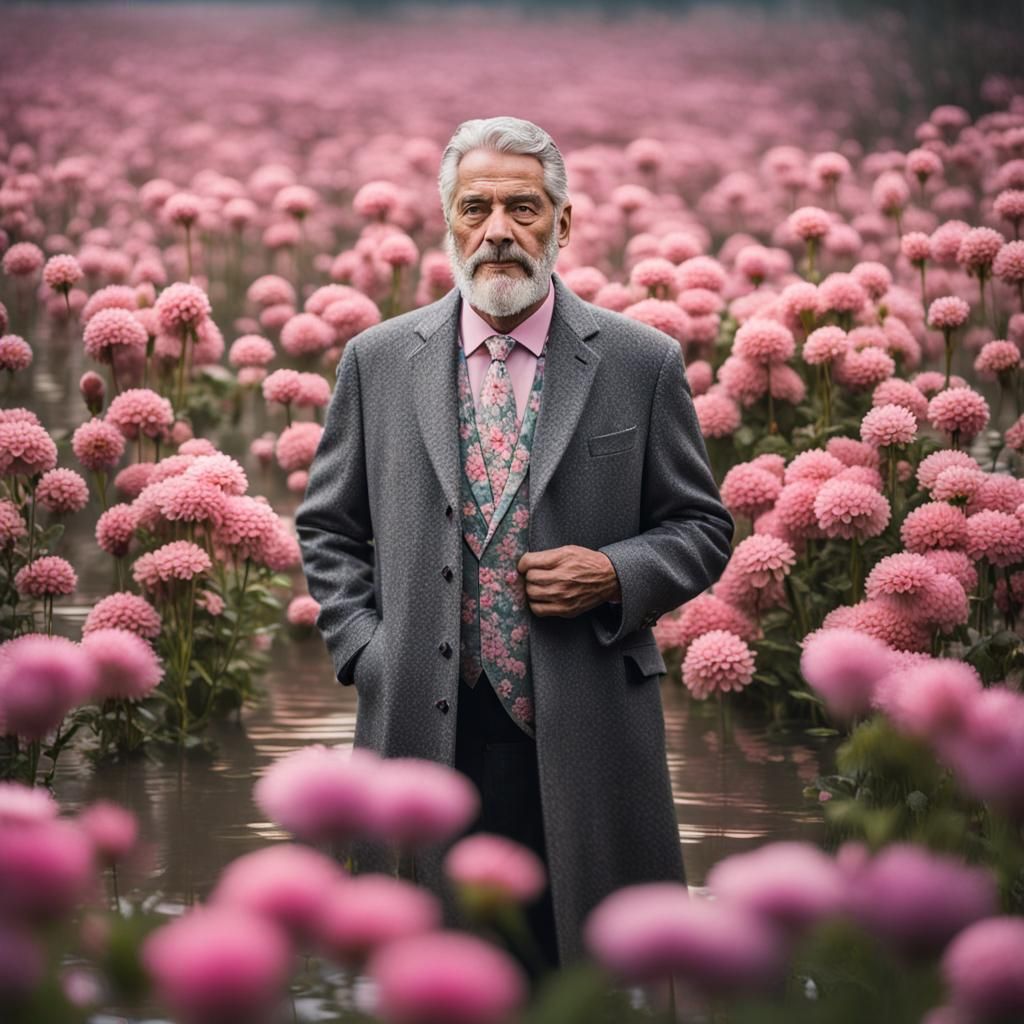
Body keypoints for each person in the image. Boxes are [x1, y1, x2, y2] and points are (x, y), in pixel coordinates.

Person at [295, 115, 734, 973]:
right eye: (476, 208)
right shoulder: (378, 360)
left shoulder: (641, 361)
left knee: (582, 970)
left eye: (523, 208)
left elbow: (702, 527)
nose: (499, 230)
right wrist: (367, 651)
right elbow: (328, 526)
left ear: (563, 224)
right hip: (423, 713)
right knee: (425, 966)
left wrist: (615, 572)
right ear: (450, 223)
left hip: (585, 717)